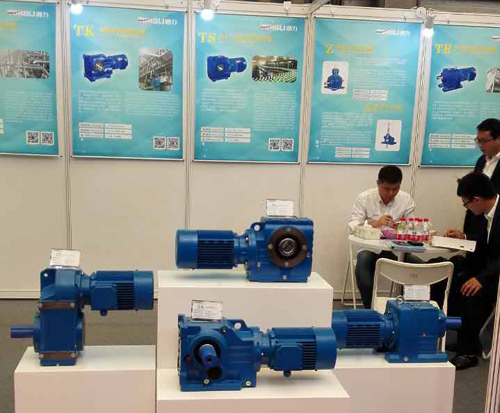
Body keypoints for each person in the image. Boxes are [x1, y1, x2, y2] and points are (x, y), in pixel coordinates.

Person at [438, 173, 500, 370]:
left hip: (495, 275)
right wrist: (464, 237)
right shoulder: (485, 213)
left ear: (477, 199)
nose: (466, 208)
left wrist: (481, 279)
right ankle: (462, 335)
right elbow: (486, 241)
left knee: (472, 290)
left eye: (466, 203)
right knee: (449, 270)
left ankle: (469, 351)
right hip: (486, 268)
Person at [348, 165, 415, 308]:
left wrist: (401, 227)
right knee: (363, 269)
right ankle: (371, 309)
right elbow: (353, 226)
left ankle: (408, 309)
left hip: (396, 249)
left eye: (395, 189)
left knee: (418, 267)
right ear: (378, 183)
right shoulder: (364, 198)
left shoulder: (406, 199)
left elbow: (412, 228)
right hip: (369, 249)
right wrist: (375, 223)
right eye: (387, 189)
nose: (391, 193)